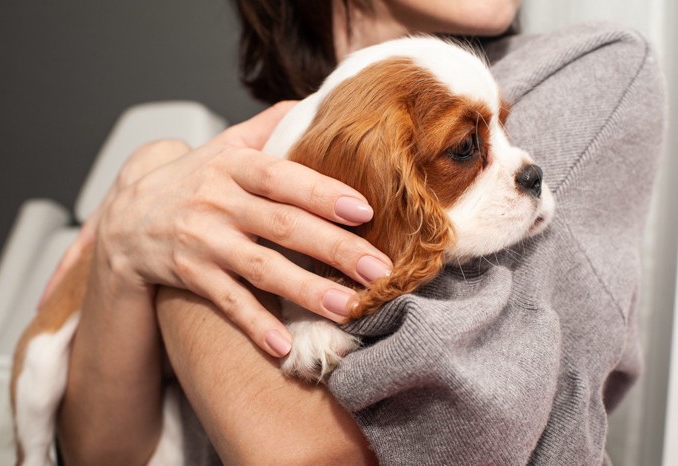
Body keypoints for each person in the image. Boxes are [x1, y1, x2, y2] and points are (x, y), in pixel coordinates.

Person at [43, 0, 665, 464]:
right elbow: (101, 454)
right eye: (467, 147)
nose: (517, 161)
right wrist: (127, 250)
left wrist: (177, 243)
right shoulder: (224, 162)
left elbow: (324, 452)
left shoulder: (582, 70)